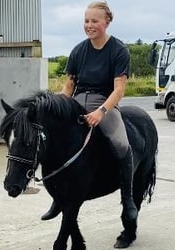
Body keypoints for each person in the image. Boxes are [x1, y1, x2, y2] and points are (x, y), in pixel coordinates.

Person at [41, 1, 137, 221]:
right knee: (55, 139)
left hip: (105, 102)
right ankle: (58, 196)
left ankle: (128, 197)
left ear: (107, 22)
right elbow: (68, 86)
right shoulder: (78, 50)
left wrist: (101, 112)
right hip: (76, 101)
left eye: (95, 21)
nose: (89, 25)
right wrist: (57, 108)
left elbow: (119, 89)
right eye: (86, 21)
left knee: (121, 142)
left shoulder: (118, 50)